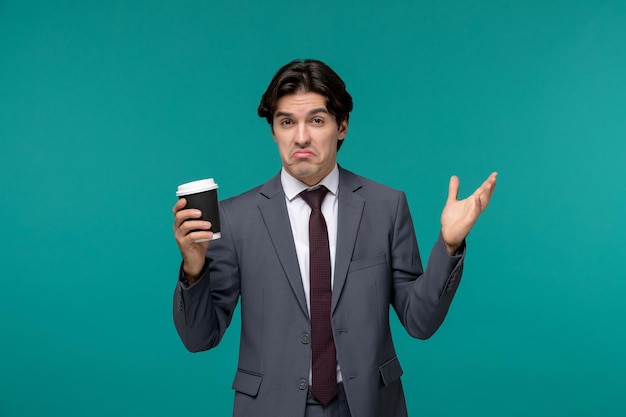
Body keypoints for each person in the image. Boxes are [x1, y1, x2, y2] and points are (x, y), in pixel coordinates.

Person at [172, 59, 497, 417]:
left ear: (341, 127)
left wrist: (448, 245)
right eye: (286, 122)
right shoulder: (235, 218)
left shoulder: (386, 207)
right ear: (274, 131)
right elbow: (199, 338)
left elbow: (419, 321)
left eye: (316, 120)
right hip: (271, 406)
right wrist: (193, 266)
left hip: (367, 405)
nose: (301, 137)